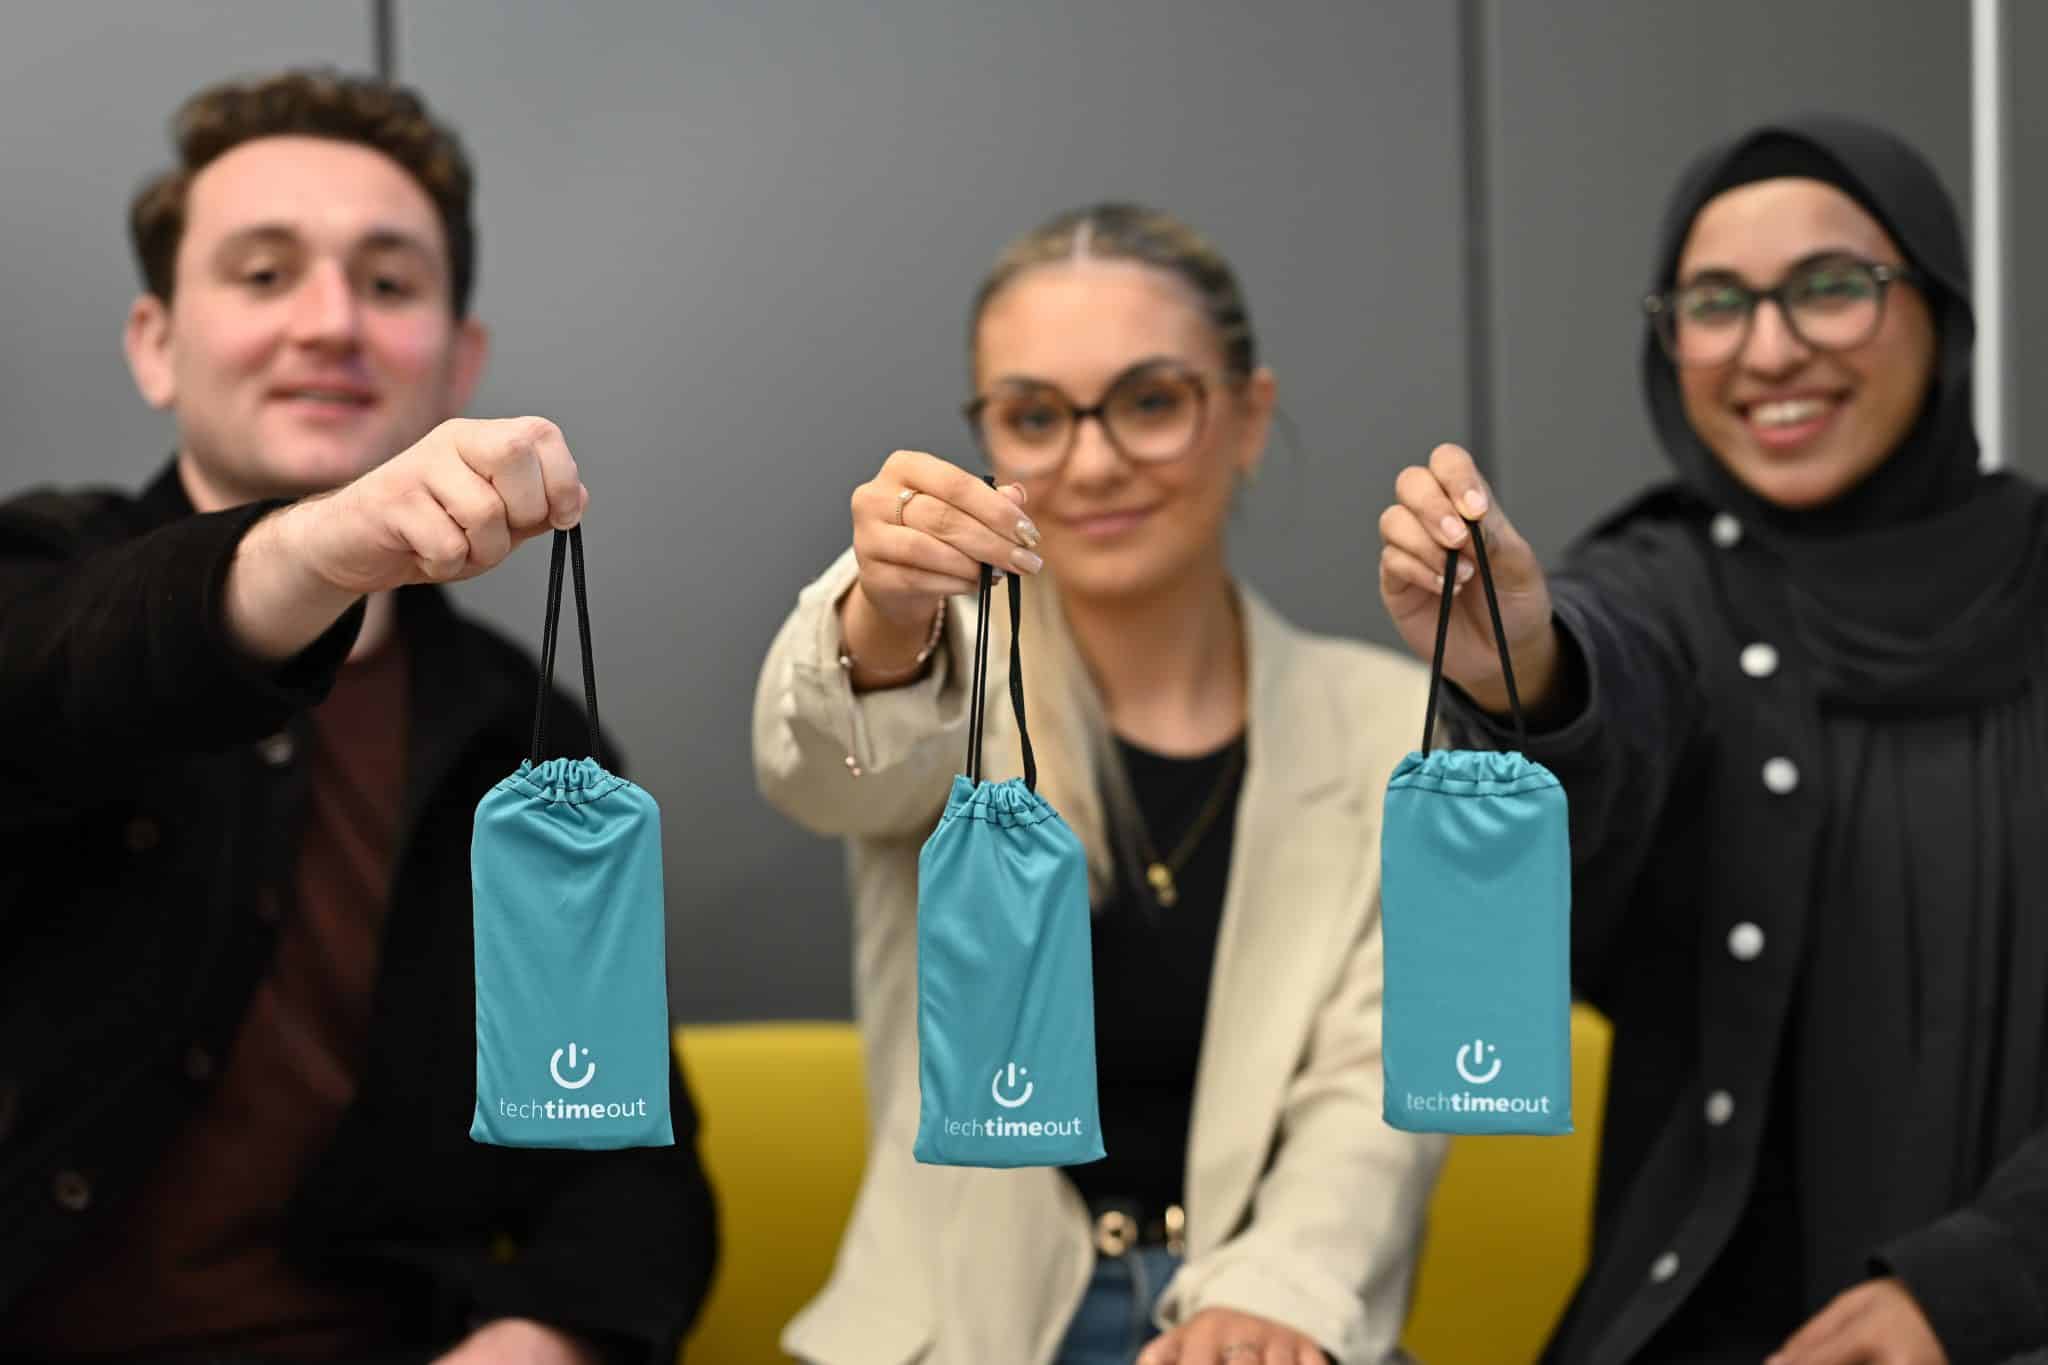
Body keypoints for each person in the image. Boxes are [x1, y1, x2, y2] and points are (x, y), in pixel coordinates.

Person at [0, 70, 715, 1364]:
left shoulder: (526, 736)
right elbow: (61, 675)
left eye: (388, 284)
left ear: (461, 358)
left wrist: (546, 1334)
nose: (330, 323)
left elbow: (627, 1179)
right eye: (264, 275)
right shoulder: (38, 580)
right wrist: (314, 550)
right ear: (157, 343)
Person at [1377, 115, 2048, 1364]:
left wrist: (1977, 1284)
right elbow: (1612, 665)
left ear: (1939, 304)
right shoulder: (1665, 578)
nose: (1768, 349)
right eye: (1712, 303)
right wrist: (1522, 667)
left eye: (1830, 289)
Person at [755, 202, 1444, 1365]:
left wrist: (1278, 1295)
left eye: (1149, 401)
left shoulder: (1384, 725)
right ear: (987, 436)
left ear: (1246, 419)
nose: (1091, 460)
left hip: (1263, 1319)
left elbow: (1375, 1079)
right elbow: (819, 772)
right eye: (1034, 417)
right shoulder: (940, 667)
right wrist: (880, 614)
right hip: (966, 1333)